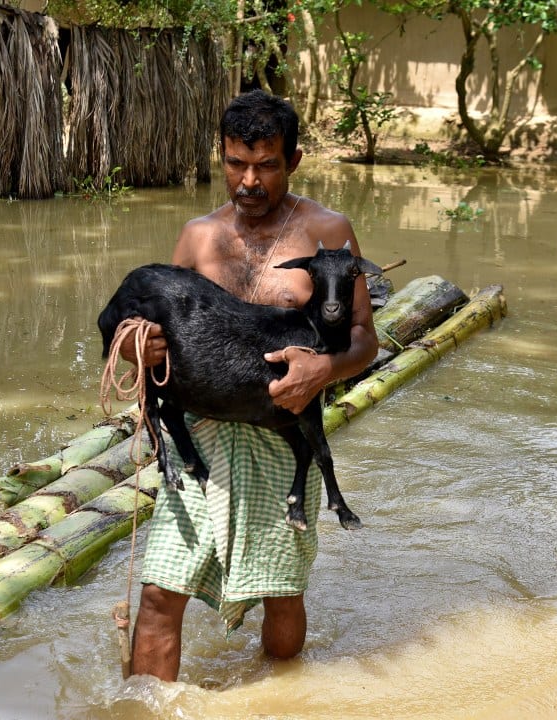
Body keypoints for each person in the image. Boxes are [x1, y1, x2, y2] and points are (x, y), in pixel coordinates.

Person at [119, 89, 378, 682]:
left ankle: (281, 694)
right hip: (200, 436)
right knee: (161, 592)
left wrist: (323, 369)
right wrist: (140, 345)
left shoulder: (327, 231)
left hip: (282, 430)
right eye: (237, 163)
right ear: (222, 157)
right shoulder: (198, 238)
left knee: (280, 592)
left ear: (296, 160)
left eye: (266, 165)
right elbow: (157, 327)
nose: (249, 181)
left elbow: (364, 337)